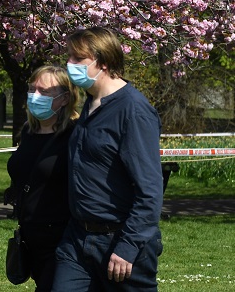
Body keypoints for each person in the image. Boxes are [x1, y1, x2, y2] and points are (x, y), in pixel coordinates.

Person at [54, 26, 164, 291]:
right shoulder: (90, 105)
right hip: (77, 239)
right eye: (68, 57)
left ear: (102, 62)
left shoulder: (134, 111)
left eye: (77, 59)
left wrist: (128, 246)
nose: (69, 65)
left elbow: (149, 190)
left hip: (120, 241)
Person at [6, 65, 81, 291]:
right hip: (31, 235)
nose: (35, 96)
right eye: (31, 89)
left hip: (62, 237)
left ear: (65, 98)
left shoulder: (75, 134)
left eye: (44, 91)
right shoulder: (29, 130)